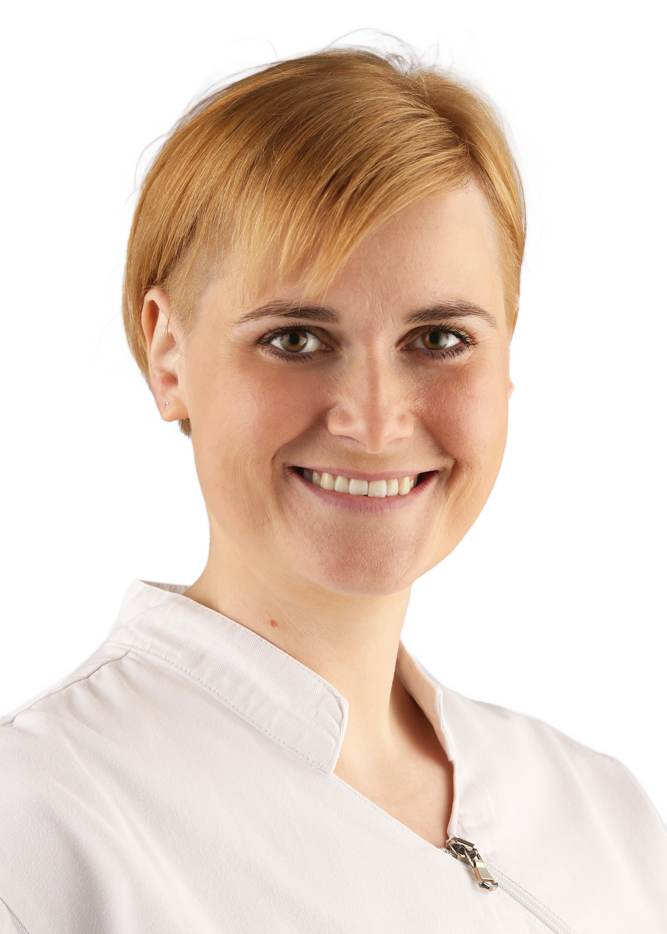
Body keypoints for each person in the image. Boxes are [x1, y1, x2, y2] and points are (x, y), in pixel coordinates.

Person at [0, 47, 665, 934]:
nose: (375, 422)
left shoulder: (603, 818)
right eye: (295, 340)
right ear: (169, 358)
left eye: (438, 339)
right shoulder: (40, 829)